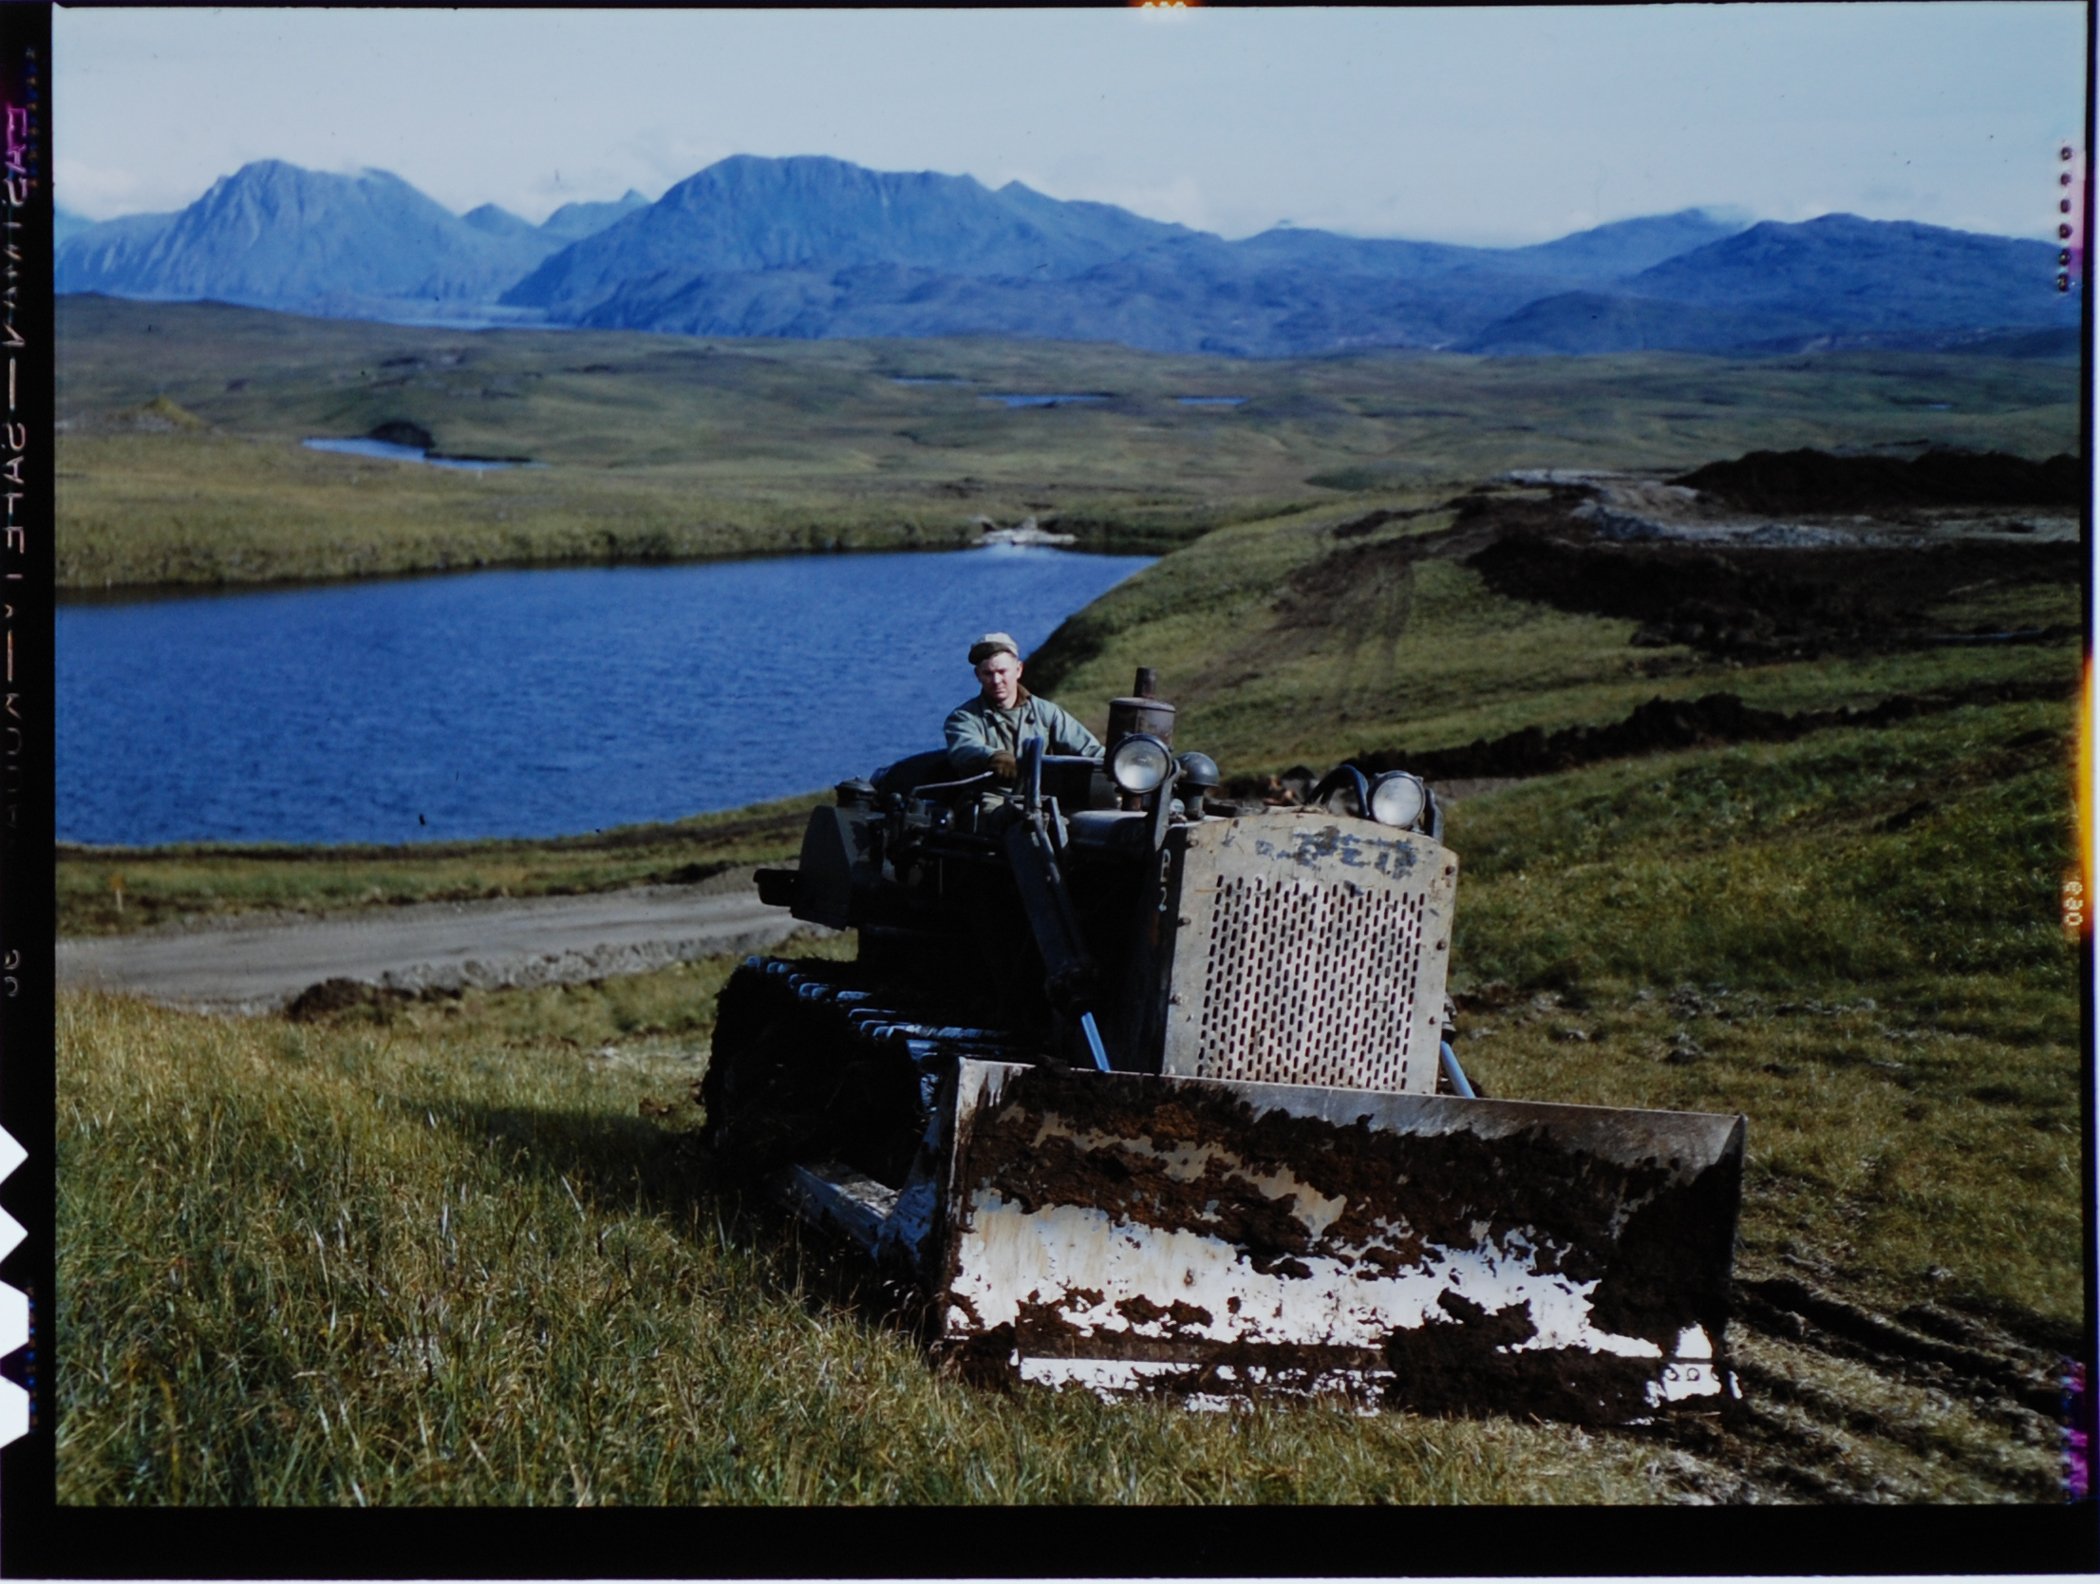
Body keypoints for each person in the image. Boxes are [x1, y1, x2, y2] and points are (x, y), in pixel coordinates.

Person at [944, 632, 1102, 782]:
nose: (996, 680)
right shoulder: (963, 718)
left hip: (1043, 793)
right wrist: (994, 757)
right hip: (992, 794)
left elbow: (1089, 749)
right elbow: (964, 748)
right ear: (978, 675)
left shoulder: (1046, 712)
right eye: (988, 673)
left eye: (1002, 671)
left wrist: (1114, 760)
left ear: (1018, 670)